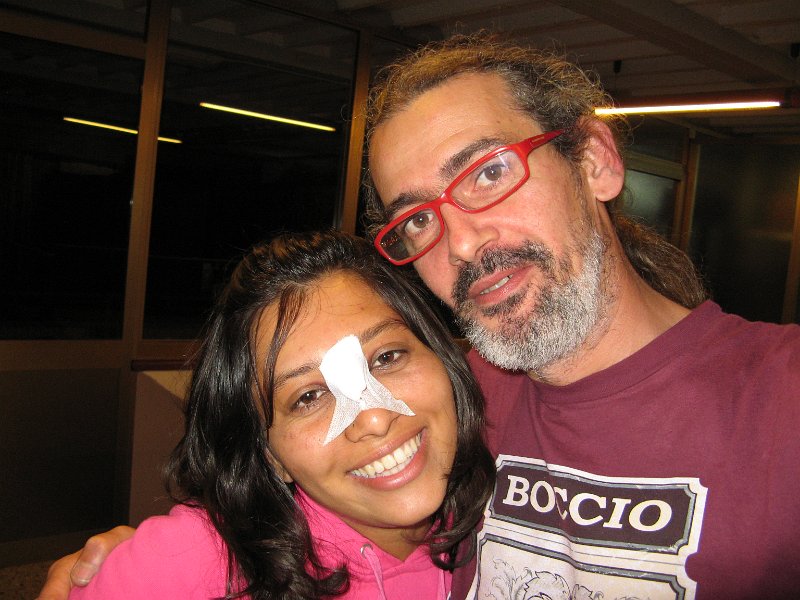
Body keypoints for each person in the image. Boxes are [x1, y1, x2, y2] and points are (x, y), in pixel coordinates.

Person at [39, 32, 800, 600]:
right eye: (418, 219)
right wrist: (146, 567)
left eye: (488, 172)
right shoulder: (450, 400)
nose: (462, 242)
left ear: (594, 160)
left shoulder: (780, 401)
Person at [63, 229, 495, 599]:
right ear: (271, 456)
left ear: (442, 358)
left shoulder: (504, 512)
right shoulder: (198, 559)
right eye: (308, 397)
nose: (374, 419)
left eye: (386, 357)